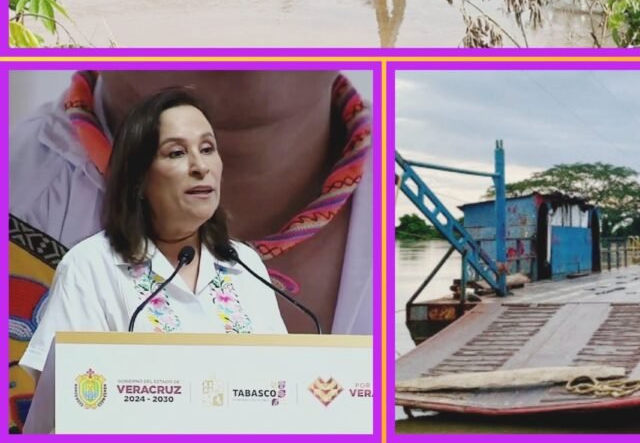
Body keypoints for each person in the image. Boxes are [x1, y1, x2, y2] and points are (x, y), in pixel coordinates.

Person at [9, 70, 372, 431]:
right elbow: (54, 415)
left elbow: (278, 398)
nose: (200, 167)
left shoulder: (245, 266)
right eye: (177, 152)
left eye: (207, 149)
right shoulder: (89, 266)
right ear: (137, 176)